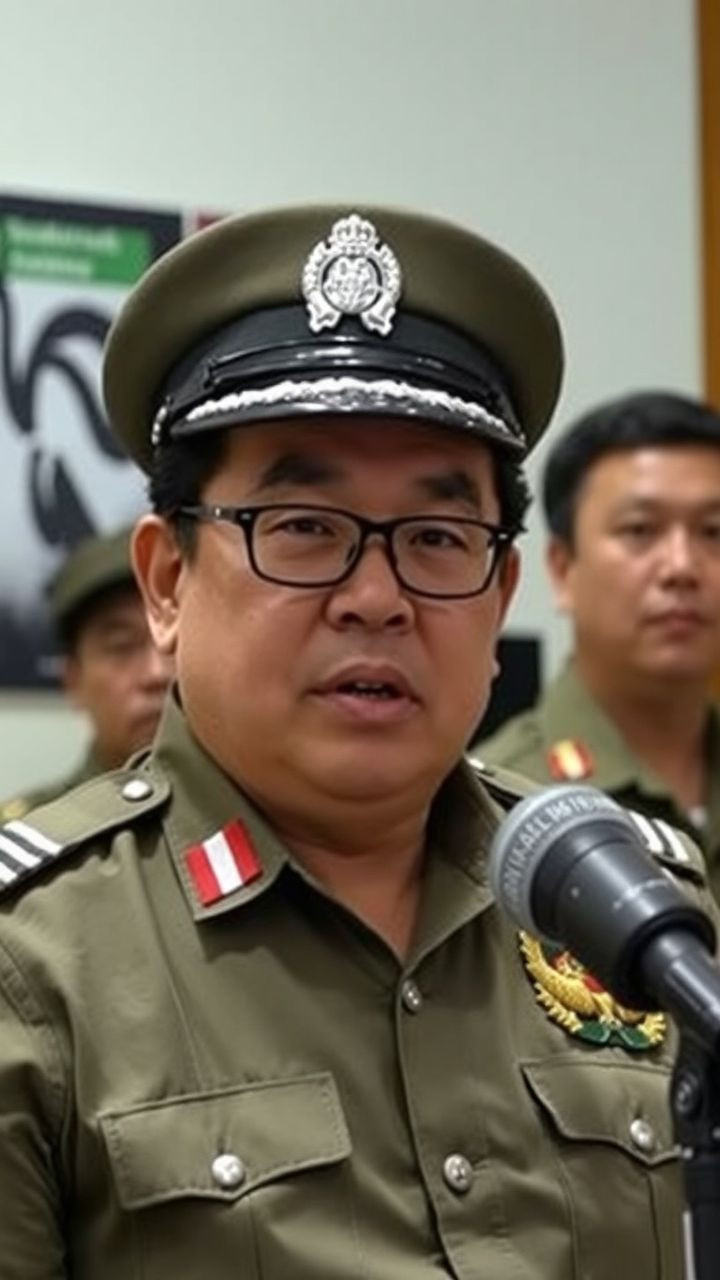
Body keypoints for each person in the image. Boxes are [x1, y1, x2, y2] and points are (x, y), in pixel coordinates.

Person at [0, 207, 708, 1279]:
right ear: (168, 582)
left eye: (437, 537)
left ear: (500, 594)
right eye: (304, 528)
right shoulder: (33, 961)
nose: (377, 597)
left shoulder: (632, 909)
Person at [477, 391, 720, 899]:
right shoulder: (504, 810)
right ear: (562, 568)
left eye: (712, 532)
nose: (681, 567)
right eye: (640, 530)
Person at [0, 527, 173, 820]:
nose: (156, 674)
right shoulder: (30, 834)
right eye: (122, 646)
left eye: (173, 642)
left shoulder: (256, 812)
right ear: (73, 681)